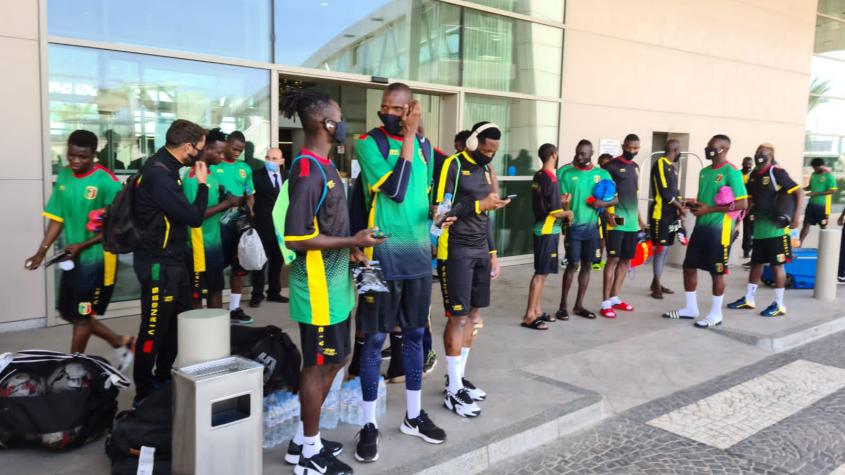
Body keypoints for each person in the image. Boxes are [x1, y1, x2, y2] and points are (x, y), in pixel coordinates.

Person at [279, 88, 381, 475]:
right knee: (318, 365)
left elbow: (327, 226)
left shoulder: (324, 167)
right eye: (339, 117)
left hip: (335, 284)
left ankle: (304, 440)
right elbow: (296, 237)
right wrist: (352, 240)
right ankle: (308, 453)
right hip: (317, 288)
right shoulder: (307, 171)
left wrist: (352, 248)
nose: (343, 124)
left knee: (336, 359)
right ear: (327, 124)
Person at [353, 82, 446, 463]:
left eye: (396, 108)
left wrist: (437, 215)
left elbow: (419, 197)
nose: (388, 113)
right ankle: (368, 423)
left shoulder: (424, 146)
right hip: (379, 258)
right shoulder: (368, 143)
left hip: (417, 257)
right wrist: (408, 135)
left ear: (410, 109)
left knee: (415, 336)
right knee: (374, 341)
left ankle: (413, 415)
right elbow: (395, 189)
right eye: (385, 107)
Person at [25, 130, 134, 370]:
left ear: (94, 155)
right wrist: (41, 251)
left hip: (97, 261)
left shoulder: (107, 182)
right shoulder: (65, 175)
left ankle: (72, 369)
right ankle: (121, 341)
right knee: (67, 312)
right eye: (71, 155)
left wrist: (82, 245)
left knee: (82, 318)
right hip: (72, 258)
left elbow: (117, 228)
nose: (75, 160)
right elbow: (57, 218)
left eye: (82, 157)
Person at [434, 122, 509, 417]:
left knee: (473, 316)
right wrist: (479, 205)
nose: (490, 155)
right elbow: (440, 212)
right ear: (474, 143)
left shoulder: (486, 169)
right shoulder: (452, 165)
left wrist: (493, 254)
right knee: (458, 317)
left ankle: (457, 379)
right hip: (455, 250)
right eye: (486, 150)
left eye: (494, 152)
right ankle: (453, 391)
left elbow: (486, 216)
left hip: (480, 250)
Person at [132, 119, 209, 403]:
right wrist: (203, 185)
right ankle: (143, 390)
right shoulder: (159, 174)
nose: (200, 154)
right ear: (188, 147)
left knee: (179, 323)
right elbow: (194, 217)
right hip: (158, 264)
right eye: (199, 148)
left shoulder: (169, 167)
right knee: (153, 329)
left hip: (174, 261)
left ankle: (163, 374)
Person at [662, 134, 747, 328]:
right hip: (701, 226)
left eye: (712, 146)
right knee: (689, 267)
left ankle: (716, 314)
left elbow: (743, 203)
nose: (708, 149)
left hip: (720, 229)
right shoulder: (704, 172)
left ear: (724, 148)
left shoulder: (732, 172)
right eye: (708, 145)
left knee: (717, 272)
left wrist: (709, 209)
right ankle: (690, 308)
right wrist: (693, 204)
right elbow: (705, 200)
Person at [727, 144, 802, 317]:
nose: (759, 155)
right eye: (757, 152)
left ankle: (779, 304)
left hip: (777, 230)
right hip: (760, 228)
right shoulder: (753, 175)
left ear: (771, 156)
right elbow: (750, 200)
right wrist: (739, 219)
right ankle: (749, 299)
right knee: (756, 263)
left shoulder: (777, 172)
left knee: (777, 266)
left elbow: (798, 192)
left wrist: (797, 217)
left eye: (763, 153)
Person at [557, 140, 617, 320]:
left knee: (587, 265)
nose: (579, 156)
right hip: (573, 228)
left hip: (592, 229)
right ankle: (563, 306)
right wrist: (563, 206)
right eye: (578, 152)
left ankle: (579, 305)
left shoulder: (602, 174)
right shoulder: (566, 173)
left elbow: (615, 199)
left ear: (591, 154)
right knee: (572, 265)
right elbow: (559, 200)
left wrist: (602, 204)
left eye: (583, 153)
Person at [183, 128, 240, 309]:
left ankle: (218, 325)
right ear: (206, 149)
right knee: (197, 295)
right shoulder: (193, 177)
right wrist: (227, 204)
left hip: (214, 243)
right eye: (219, 152)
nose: (222, 157)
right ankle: (199, 327)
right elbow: (195, 215)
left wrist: (225, 198)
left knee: (216, 290)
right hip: (199, 247)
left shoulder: (211, 175)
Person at [522, 143, 572, 329]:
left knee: (543, 273)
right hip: (547, 230)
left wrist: (560, 200)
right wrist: (568, 213)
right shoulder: (551, 179)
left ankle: (537, 310)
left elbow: (546, 201)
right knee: (540, 274)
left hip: (543, 227)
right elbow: (554, 212)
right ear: (554, 154)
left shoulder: (539, 175)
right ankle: (529, 315)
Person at [600, 134, 645, 318]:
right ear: (623, 146)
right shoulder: (610, 167)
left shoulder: (635, 168)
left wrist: (641, 221)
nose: (632, 151)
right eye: (629, 147)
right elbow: (603, 194)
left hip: (632, 223)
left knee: (626, 261)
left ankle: (614, 298)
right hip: (617, 221)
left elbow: (634, 196)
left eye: (635, 148)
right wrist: (609, 213)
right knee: (613, 259)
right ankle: (605, 303)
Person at [213, 130, 256, 324]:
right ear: (226, 144)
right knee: (217, 267)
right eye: (235, 148)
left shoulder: (245, 168)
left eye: (241, 150)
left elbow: (250, 192)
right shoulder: (214, 166)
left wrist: (251, 208)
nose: (237, 152)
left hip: (239, 223)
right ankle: (214, 310)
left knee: (239, 267)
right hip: (218, 224)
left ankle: (234, 308)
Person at [249, 147, 289, 308]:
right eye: (267, 157)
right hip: (262, 225)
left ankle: (274, 292)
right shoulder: (256, 176)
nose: (270, 161)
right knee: (260, 261)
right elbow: (250, 197)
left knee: (277, 261)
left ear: (281, 161)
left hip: (281, 227)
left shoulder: (287, 176)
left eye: (274, 158)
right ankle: (257, 294)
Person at [649, 139, 686, 299]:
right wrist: (679, 207)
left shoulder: (673, 168)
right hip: (660, 214)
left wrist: (681, 207)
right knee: (661, 249)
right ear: (675, 150)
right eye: (679, 150)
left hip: (671, 215)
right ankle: (656, 285)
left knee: (666, 250)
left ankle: (656, 281)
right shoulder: (660, 164)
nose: (680, 153)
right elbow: (665, 192)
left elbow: (675, 191)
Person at [800, 157, 838, 245]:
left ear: (822, 166)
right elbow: (810, 187)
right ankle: (799, 244)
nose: (814, 169)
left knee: (823, 226)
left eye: (816, 168)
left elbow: (833, 190)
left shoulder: (829, 176)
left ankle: (826, 246)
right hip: (811, 205)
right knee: (806, 225)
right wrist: (800, 189)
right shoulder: (813, 174)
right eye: (813, 168)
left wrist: (815, 194)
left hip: (823, 207)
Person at [740, 156, 754, 260]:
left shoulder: (753, 175)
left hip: (751, 205)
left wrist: (748, 209)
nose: (749, 166)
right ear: (743, 164)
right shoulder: (738, 174)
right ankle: (746, 250)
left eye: (750, 164)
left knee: (750, 229)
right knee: (745, 230)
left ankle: (748, 250)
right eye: (747, 164)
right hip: (739, 204)